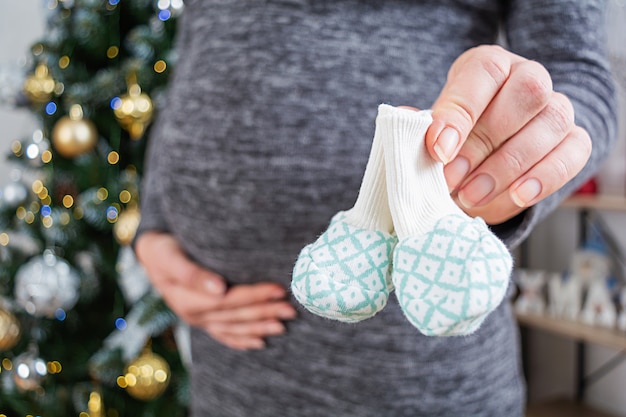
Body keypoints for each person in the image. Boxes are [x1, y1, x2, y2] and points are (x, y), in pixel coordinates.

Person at [134, 1, 617, 416]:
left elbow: (579, 76)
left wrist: (498, 184)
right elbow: (195, 54)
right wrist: (154, 221)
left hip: (414, 369)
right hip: (231, 362)